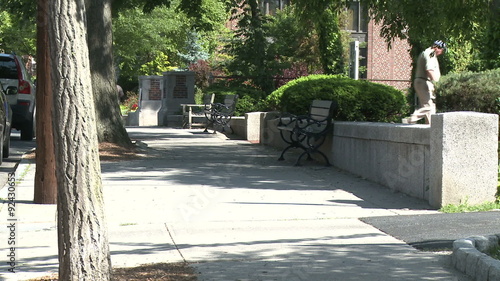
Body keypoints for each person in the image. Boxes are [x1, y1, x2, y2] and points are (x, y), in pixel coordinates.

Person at [403, 40, 447, 125]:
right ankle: (411, 119)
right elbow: (429, 69)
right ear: (437, 48)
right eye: (442, 50)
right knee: (428, 107)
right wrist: (438, 83)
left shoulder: (427, 53)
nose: (441, 53)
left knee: (431, 107)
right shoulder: (431, 54)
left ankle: (430, 126)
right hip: (423, 82)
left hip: (422, 82)